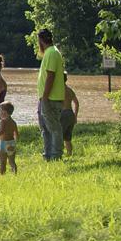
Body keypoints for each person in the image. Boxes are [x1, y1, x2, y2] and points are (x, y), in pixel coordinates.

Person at [36, 29, 66, 161]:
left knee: (54, 128)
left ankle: (56, 156)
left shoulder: (52, 53)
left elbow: (51, 76)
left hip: (51, 98)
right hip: (45, 97)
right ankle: (47, 155)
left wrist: (46, 97)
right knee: (45, 128)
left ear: (41, 41)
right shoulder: (50, 52)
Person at [0, 102, 19, 175]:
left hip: (3, 143)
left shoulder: (2, 121)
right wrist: (15, 142)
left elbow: (1, 132)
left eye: (0, 111)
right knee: (12, 161)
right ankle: (15, 173)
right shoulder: (13, 122)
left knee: (2, 161)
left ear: (5, 112)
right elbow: (16, 133)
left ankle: (2, 175)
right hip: (11, 143)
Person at [61, 73, 79, 157]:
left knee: (59, 136)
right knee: (68, 138)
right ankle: (69, 154)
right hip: (71, 114)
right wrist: (75, 116)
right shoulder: (70, 90)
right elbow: (77, 103)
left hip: (63, 114)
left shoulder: (58, 90)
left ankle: (58, 154)